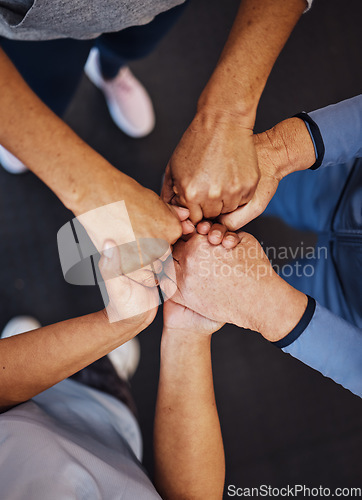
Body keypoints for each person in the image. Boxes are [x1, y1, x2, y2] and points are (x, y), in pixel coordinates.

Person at [167, 94, 362, 398]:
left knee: (226, 290)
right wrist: (276, 151)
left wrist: (268, 308)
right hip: (345, 175)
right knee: (232, 192)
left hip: (343, 311)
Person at [0, 243, 225, 500]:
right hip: (107, 416)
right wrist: (187, 331)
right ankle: (110, 369)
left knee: (16, 370)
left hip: (15, 416)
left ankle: (28, 354)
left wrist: (119, 322)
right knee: (109, 389)